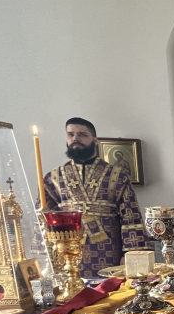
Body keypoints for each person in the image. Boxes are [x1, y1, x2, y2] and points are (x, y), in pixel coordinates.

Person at [42, 117, 148, 278]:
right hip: (67, 253)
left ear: (95, 140)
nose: (75, 139)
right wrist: (46, 256)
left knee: (110, 290)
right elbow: (43, 219)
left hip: (109, 251)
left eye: (82, 134)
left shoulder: (116, 175)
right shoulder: (54, 178)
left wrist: (130, 255)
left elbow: (130, 217)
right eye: (70, 135)